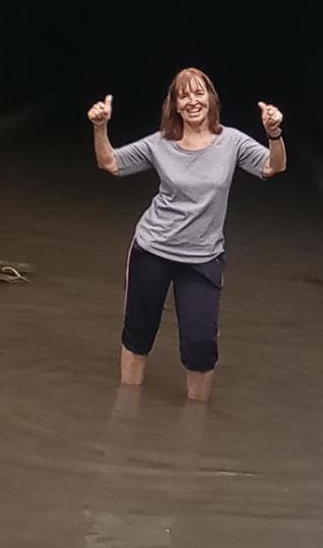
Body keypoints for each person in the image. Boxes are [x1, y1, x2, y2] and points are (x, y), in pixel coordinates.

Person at [87, 67, 286, 402]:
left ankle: (196, 417)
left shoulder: (232, 142)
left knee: (201, 344)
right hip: (152, 249)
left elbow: (273, 166)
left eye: (198, 93)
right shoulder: (160, 144)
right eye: (184, 96)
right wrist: (100, 127)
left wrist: (274, 134)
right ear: (175, 106)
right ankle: (126, 408)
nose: (192, 101)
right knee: (139, 333)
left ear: (211, 99)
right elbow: (110, 163)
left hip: (203, 258)